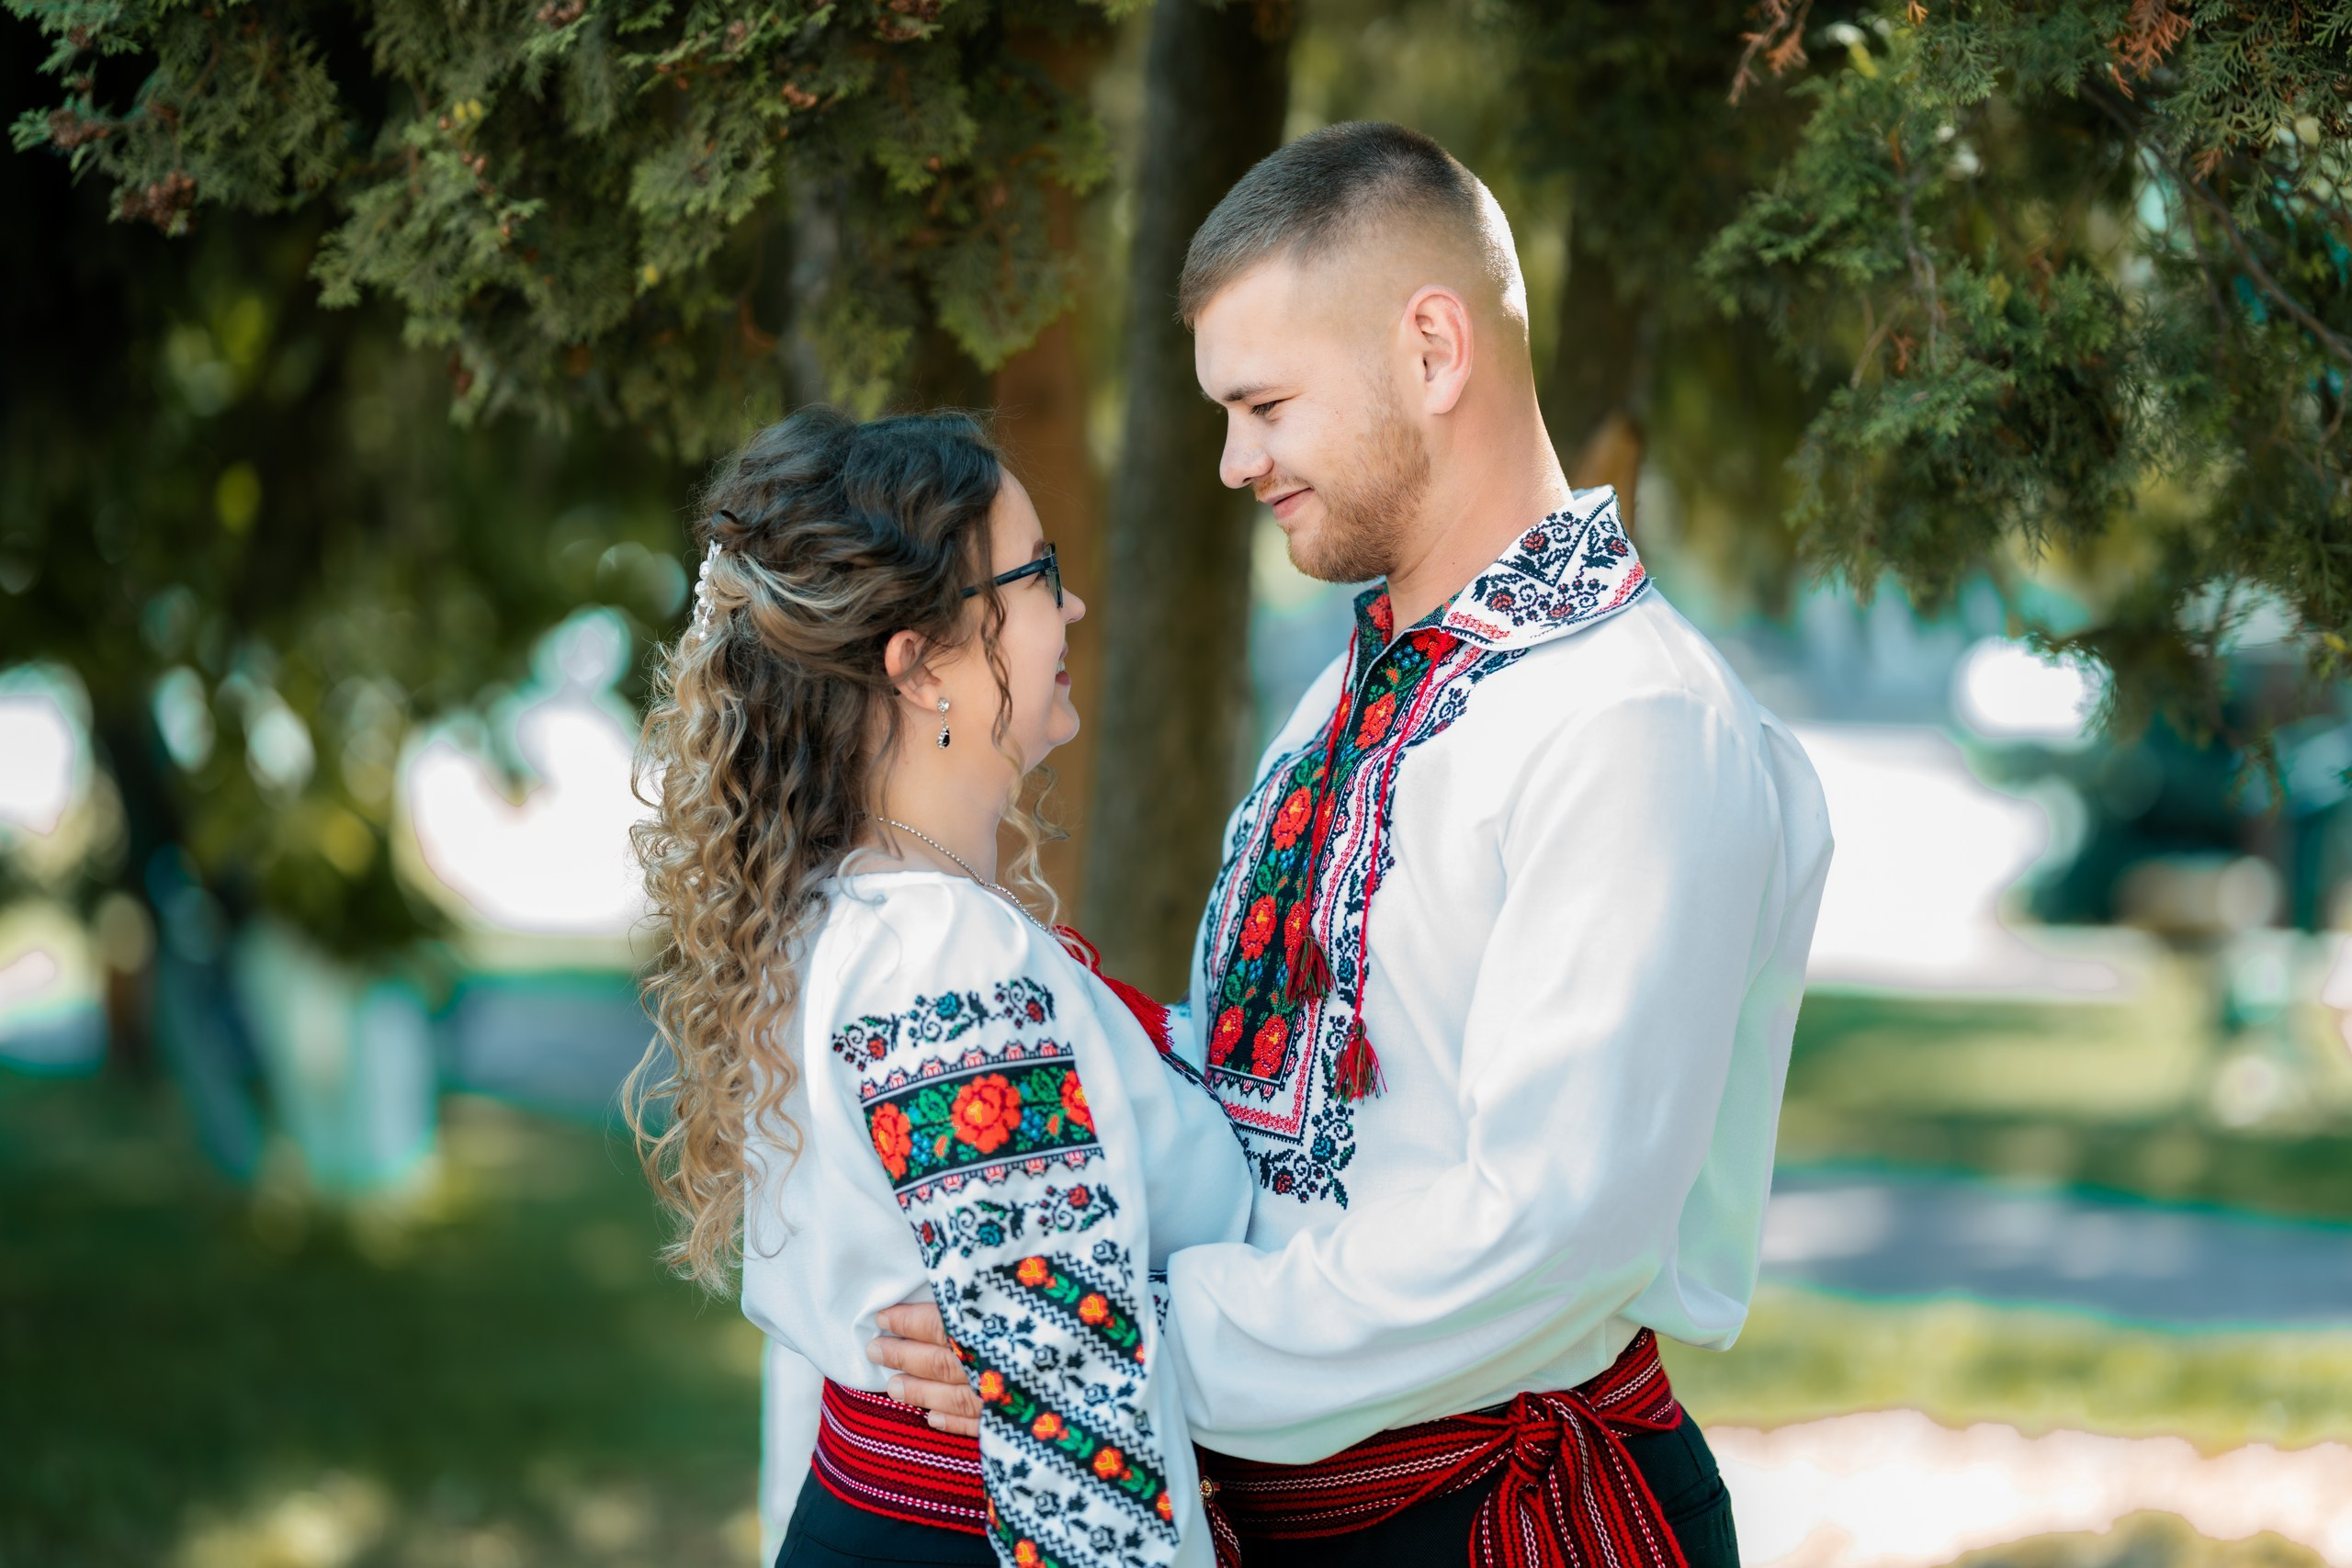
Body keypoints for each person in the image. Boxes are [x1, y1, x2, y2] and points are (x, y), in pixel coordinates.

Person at [868, 121, 1835, 1568]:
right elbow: (1267, 1098)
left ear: (1433, 350)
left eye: (1263, 404)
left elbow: (1547, 1237)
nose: (1231, 461)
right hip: (1285, 1495)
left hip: (1490, 1517)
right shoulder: (1355, 688)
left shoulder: (1632, 721)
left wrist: (1115, 1348)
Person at [628, 407, 1253, 1568]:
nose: (1070, 608)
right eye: (1037, 577)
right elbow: (1075, 1466)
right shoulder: (936, 962)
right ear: (920, 666)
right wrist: (1058, 1349)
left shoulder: (840, 919)